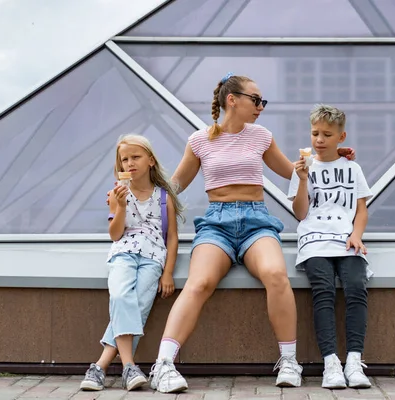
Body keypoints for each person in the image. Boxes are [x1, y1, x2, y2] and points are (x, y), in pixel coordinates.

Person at [147, 73, 356, 393]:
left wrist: (334, 156)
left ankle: (289, 361)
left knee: (275, 274)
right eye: (256, 100)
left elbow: (294, 171)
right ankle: (163, 365)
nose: (261, 106)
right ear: (233, 100)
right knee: (199, 282)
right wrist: (139, 198)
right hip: (216, 223)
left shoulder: (260, 136)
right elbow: (174, 187)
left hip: (256, 220)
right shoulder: (200, 140)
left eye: (262, 101)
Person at [80, 134, 184, 391]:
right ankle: (128, 365)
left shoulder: (163, 197)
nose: (129, 163)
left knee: (137, 305)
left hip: (153, 259)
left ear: (150, 160)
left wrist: (168, 272)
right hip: (123, 253)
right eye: (124, 159)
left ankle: (100, 366)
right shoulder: (116, 195)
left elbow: (171, 237)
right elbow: (115, 234)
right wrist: (122, 207)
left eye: (135, 157)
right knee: (120, 296)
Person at [288, 104, 372, 390]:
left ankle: (354, 360)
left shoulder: (352, 168)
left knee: (356, 288)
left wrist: (357, 235)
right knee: (322, 291)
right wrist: (301, 181)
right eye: (314, 133)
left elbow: (361, 210)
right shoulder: (302, 169)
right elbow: (300, 213)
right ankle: (330, 363)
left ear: (341, 137)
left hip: (346, 241)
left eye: (326, 134)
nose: (319, 140)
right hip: (314, 242)